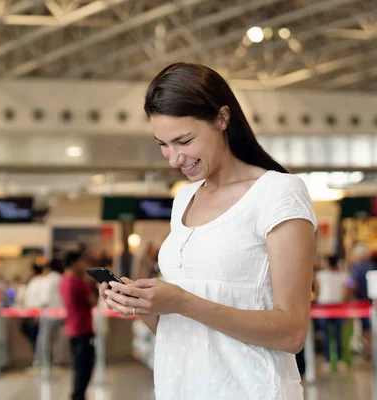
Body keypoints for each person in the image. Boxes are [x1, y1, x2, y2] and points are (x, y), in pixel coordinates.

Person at [100, 63, 317, 399]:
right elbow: (178, 331)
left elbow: (291, 333)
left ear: (222, 119)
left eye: (183, 140)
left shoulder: (278, 193)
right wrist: (142, 304)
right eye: (163, 144)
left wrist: (183, 301)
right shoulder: (184, 199)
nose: (174, 159)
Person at [59, 251, 97, 400]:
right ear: (75, 263)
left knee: (78, 367)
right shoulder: (77, 282)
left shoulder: (63, 280)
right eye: (81, 261)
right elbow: (92, 301)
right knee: (83, 368)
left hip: (72, 328)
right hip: (82, 328)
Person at [316, 255, 347, 371]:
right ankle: (333, 360)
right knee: (329, 334)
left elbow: (317, 290)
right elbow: (348, 287)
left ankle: (332, 360)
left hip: (333, 306)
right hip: (327, 306)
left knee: (334, 334)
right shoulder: (339, 275)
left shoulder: (322, 275)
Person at [346, 243, 376, 358]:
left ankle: (369, 351)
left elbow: (352, 284)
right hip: (373, 300)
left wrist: (346, 291)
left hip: (363, 302)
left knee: (366, 328)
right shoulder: (372, 265)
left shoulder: (357, 267)